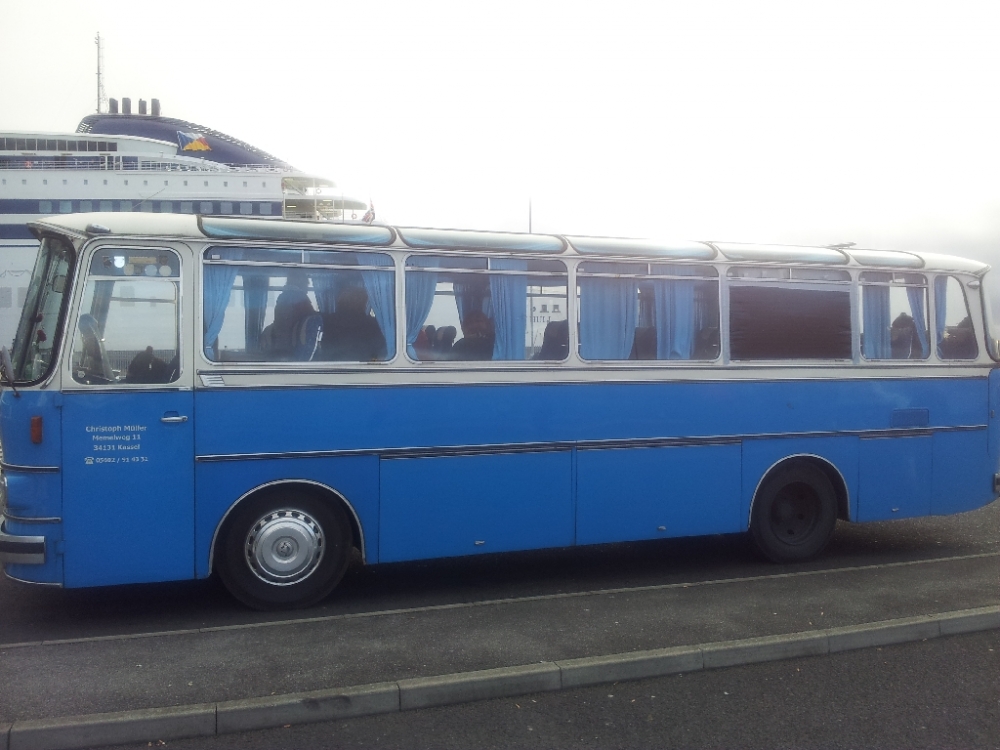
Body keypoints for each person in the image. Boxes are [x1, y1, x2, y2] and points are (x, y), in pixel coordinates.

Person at [320, 286, 387, 361]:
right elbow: (380, 354)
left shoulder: (326, 321)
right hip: (364, 365)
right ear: (362, 304)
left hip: (330, 364)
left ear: (340, 302)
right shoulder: (373, 324)